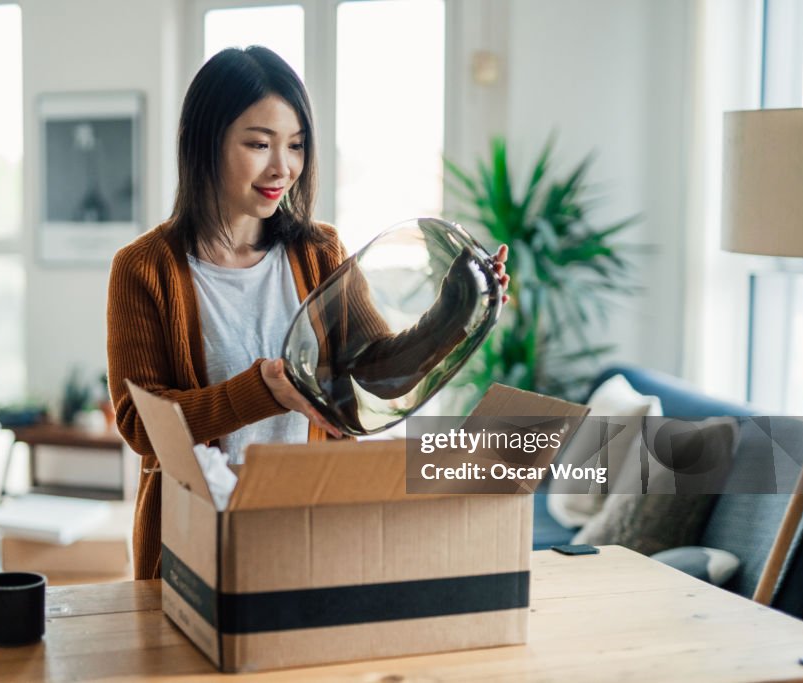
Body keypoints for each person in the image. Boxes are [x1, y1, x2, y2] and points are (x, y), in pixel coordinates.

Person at [107, 46, 509, 580]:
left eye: (295, 146)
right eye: (258, 144)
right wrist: (262, 391)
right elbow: (140, 424)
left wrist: (457, 309)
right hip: (193, 542)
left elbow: (378, 373)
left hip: (306, 528)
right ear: (205, 143)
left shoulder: (320, 252)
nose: (283, 168)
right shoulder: (143, 269)